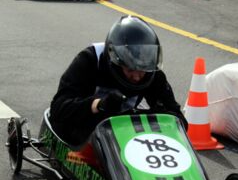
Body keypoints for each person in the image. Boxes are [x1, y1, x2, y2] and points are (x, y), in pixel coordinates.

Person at [50, 15, 187, 145]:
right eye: (130, 70)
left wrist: (158, 115)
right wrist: (98, 104)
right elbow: (58, 108)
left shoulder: (152, 73)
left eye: (142, 70)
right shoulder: (89, 60)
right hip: (84, 127)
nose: (136, 76)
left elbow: (178, 119)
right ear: (115, 61)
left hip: (124, 132)